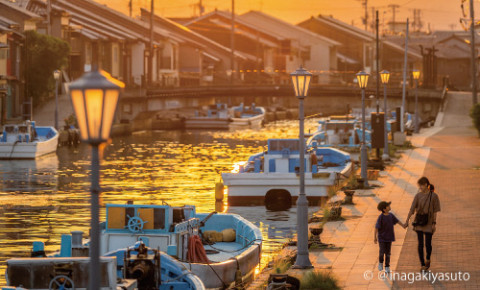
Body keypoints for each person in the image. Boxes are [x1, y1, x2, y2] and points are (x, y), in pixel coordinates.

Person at [405, 177, 441, 272]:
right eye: (419, 185)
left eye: (421, 185)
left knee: (428, 244)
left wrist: (434, 223)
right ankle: (422, 264)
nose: (420, 187)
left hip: (429, 223)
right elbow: (412, 209)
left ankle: (428, 258)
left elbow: (435, 212)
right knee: (420, 244)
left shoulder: (434, 196)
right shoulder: (417, 196)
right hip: (419, 222)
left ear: (425, 184)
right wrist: (407, 220)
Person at [374, 201, 407, 273]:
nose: (389, 207)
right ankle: (380, 262)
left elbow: (397, 221)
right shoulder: (381, 217)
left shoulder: (391, 215)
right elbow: (376, 227)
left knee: (388, 253)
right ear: (384, 209)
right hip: (382, 238)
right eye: (388, 206)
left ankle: (387, 266)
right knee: (382, 252)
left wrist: (403, 225)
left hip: (389, 238)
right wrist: (375, 237)